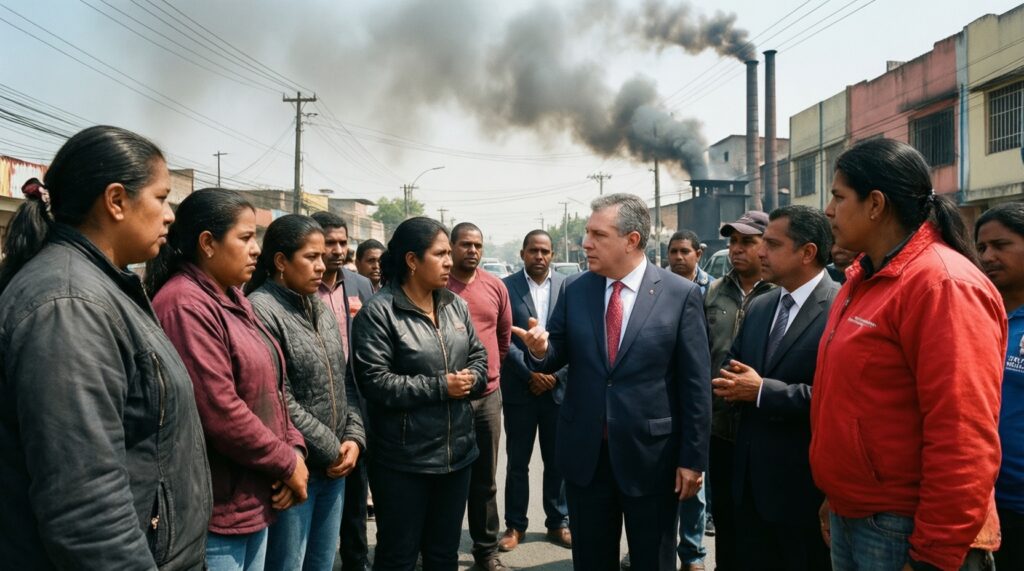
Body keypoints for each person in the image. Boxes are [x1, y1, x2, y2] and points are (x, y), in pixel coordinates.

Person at [0, 126, 211, 570]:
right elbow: (85, 508)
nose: (170, 214)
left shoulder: (101, 287)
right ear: (116, 201)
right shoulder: (69, 305)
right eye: (161, 197)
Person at [811, 138, 1004, 571]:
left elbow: (963, 433)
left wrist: (933, 554)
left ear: (875, 204)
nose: (828, 210)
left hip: (904, 527)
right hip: (857, 514)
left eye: (839, 197)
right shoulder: (862, 280)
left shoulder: (942, 285)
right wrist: (837, 493)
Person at [513, 193, 712, 571]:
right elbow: (556, 352)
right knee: (591, 560)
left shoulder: (679, 294)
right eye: (587, 233)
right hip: (586, 456)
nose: (584, 243)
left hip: (651, 458)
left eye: (597, 235)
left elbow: (695, 386)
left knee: (652, 559)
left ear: (631, 240)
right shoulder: (577, 289)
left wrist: (692, 460)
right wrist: (540, 349)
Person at [148, 189, 309, 571]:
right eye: (245, 237)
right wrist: (286, 463)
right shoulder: (184, 305)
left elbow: (272, 388)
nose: (256, 249)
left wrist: (296, 449)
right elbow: (220, 410)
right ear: (207, 243)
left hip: (255, 496)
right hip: (217, 509)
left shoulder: (235, 299)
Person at [351, 216, 489, 570]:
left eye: (448, 254)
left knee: (443, 554)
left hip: (457, 456)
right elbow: (375, 381)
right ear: (412, 261)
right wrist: (442, 386)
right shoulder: (380, 313)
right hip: (403, 461)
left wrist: (471, 377)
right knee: (399, 555)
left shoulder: (453, 305)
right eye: (440, 254)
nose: (449, 261)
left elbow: (479, 356)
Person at [712, 206, 837, 570]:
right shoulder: (762, 306)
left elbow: (836, 398)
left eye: (772, 243)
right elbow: (730, 369)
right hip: (749, 486)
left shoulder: (840, 306)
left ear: (808, 252)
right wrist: (732, 384)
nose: (760, 252)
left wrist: (763, 391)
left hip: (804, 490)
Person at [246, 215, 366, 571]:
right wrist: (331, 449)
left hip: (336, 466)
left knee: (322, 562)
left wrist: (354, 437)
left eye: (322, 255)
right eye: (310, 257)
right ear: (281, 262)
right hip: (298, 469)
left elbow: (345, 378)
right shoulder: (261, 310)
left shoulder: (317, 305)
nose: (322, 264)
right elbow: (278, 397)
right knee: (289, 564)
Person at [704, 210, 776, 571]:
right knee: (727, 519)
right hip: (720, 429)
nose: (737, 249)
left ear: (768, 244)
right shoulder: (714, 291)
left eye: (747, 241)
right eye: (733, 242)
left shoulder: (782, 292)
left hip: (766, 427)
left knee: (762, 524)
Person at [498, 230, 571, 553]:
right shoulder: (506, 287)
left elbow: (578, 339)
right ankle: (515, 525)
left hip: (558, 390)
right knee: (518, 462)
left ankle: (558, 522)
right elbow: (504, 339)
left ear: (552, 254)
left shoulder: (570, 287)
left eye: (544, 251)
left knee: (558, 461)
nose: (539, 257)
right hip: (520, 389)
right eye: (532, 251)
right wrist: (530, 373)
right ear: (523, 253)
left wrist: (555, 376)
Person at [309, 211, 374, 571]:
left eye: (342, 242)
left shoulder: (361, 285)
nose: (337, 250)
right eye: (329, 243)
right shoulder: (301, 285)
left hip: (356, 403)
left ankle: (356, 561)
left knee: (355, 490)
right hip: (313, 404)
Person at [446, 222, 513, 571]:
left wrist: (487, 374)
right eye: (465, 244)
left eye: (478, 245)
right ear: (452, 246)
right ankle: (436, 549)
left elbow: (502, 339)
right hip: (445, 398)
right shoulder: (438, 284)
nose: (472, 251)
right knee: (443, 477)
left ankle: (486, 552)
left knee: (484, 480)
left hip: (487, 396)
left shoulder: (495, 286)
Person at [975, 203, 1024, 571]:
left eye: (1000, 245)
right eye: (981, 248)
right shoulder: (978, 313)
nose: (988, 256)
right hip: (981, 499)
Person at [668, 229, 712, 294]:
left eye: (685, 251)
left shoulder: (712, 287)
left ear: (698, 255)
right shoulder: (656, 285)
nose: (678, 257)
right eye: (674, 252)